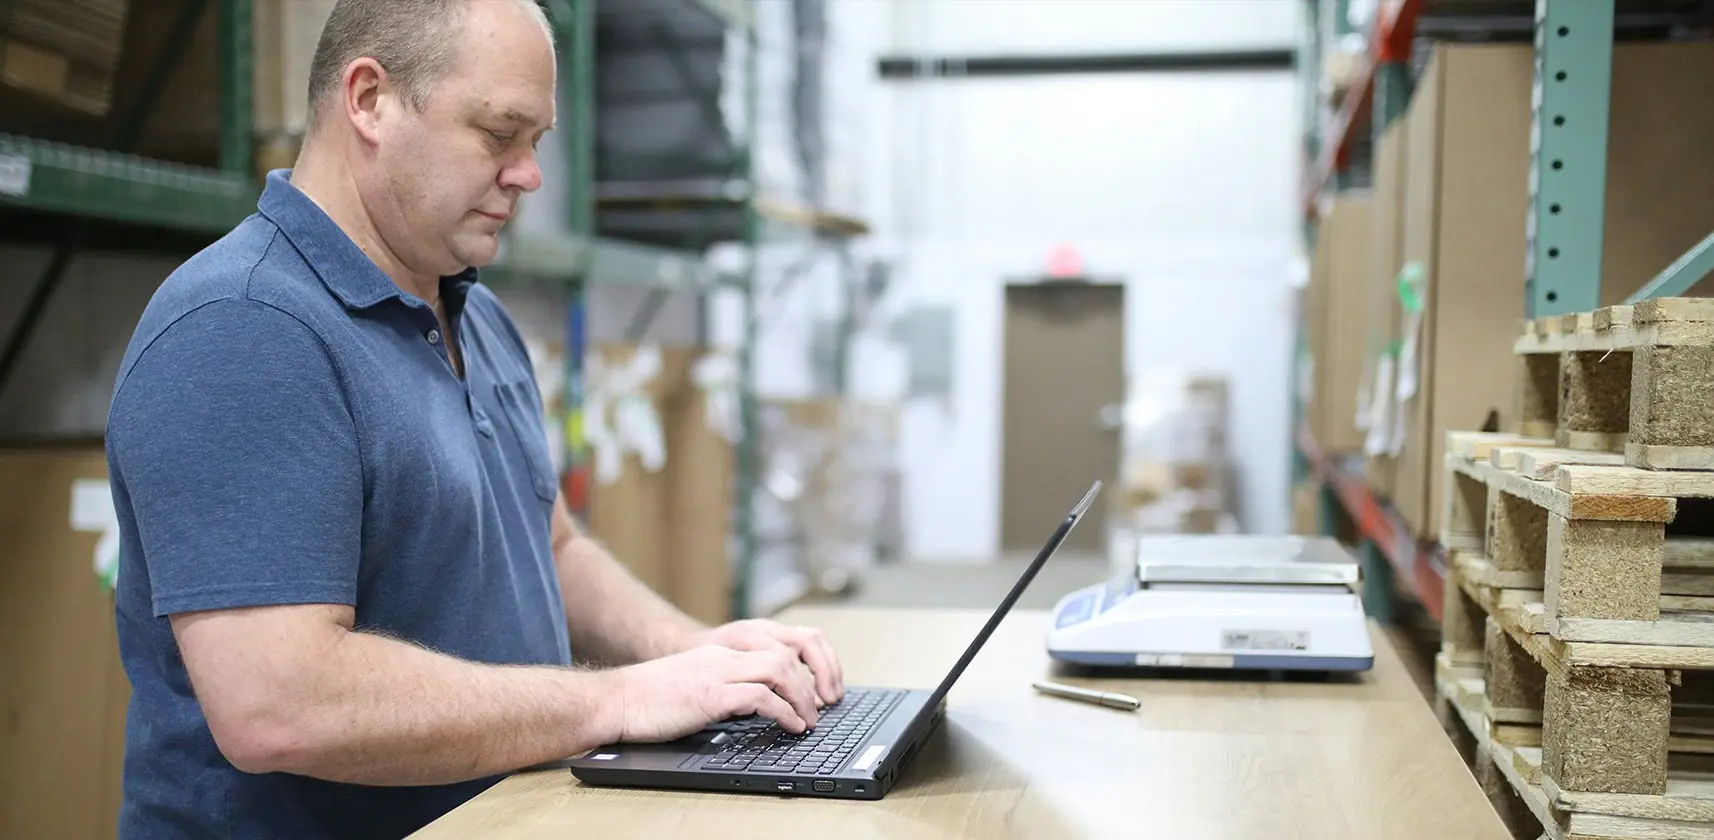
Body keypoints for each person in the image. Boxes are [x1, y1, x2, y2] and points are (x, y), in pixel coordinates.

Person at [103, 1, 844, 837]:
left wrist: (695, 651)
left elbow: (549, 545)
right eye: (499, 134)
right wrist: (619, 699)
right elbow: (282, 706)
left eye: (537, 142)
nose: (529, 174)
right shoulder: (245, 329)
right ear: (369, 99)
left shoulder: (473, 315)